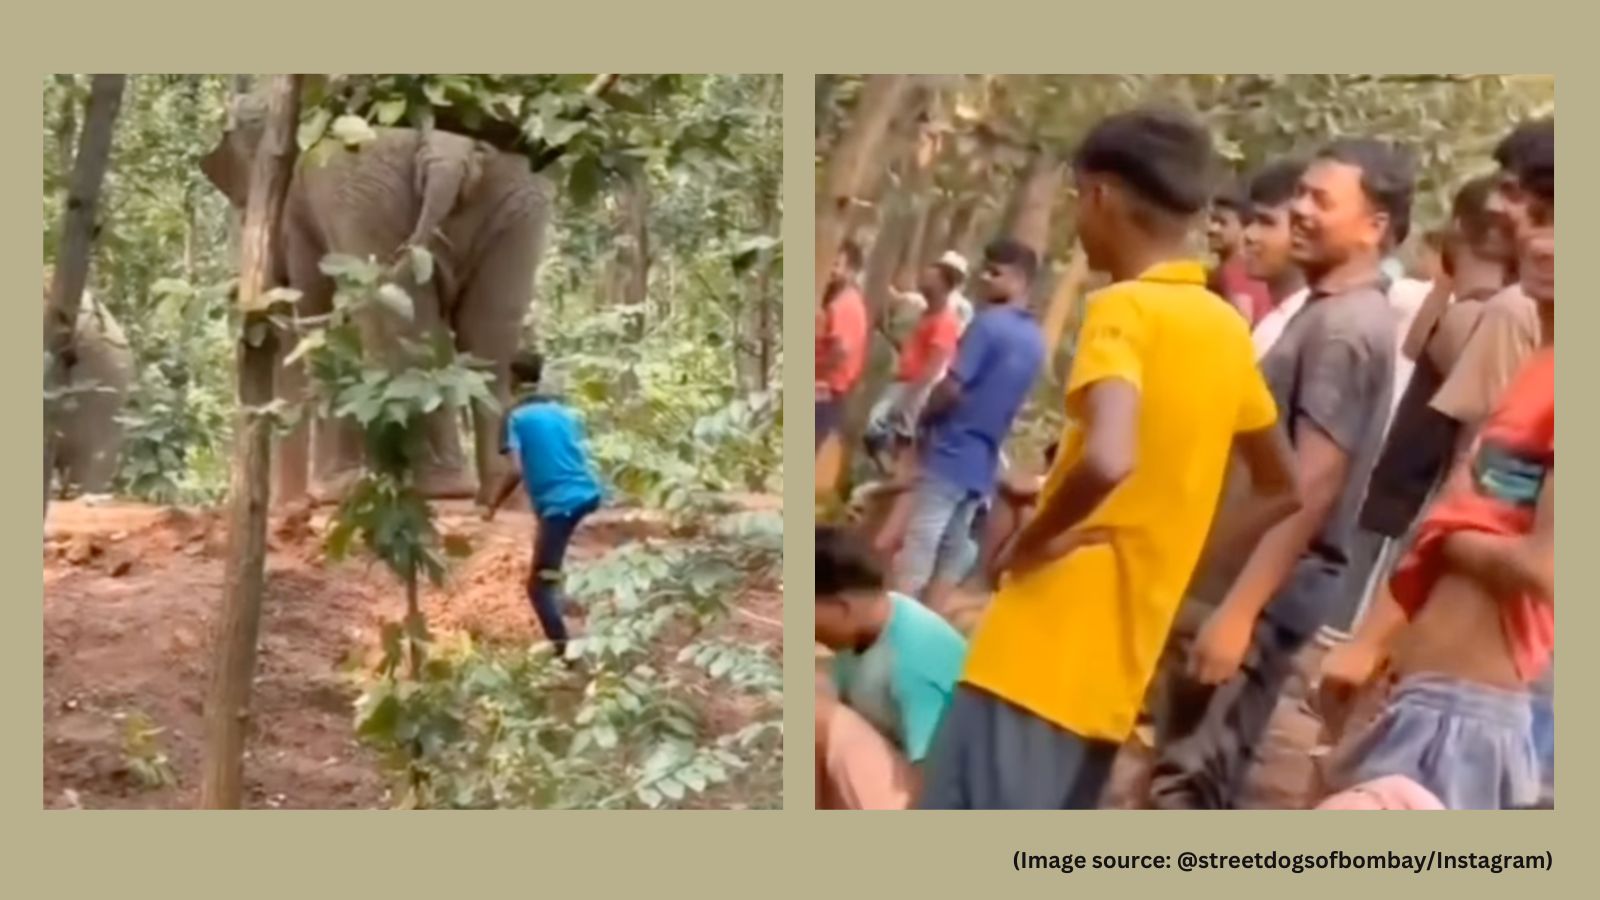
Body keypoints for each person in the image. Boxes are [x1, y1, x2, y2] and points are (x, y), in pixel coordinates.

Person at [918, 108, 1300, 810]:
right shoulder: (1223, 328)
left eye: (1076, 198)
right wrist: (1175, 549)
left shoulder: (1125, 309)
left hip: (1039, 649)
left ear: (1099, 195)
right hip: (1120, 665)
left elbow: (1108, 458)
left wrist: (1030, 544)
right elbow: (1283, 487)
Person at [1148, 137, 1412, 810]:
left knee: (1188, 784)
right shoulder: (1324, 312)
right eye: (1299, 195)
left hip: (1262, 596)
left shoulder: (1346, 329)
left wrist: (1238, 613)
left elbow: (1314, 482)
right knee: (1175, 767)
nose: (1300, 210)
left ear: (1374, 226)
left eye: (1321, 200)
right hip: (1239, 583)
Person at [1316, 118, 1553, 810]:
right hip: (1424, 697)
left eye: (1549, 215)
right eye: (1528, 210)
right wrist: (1372, 645)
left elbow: (1549, 568)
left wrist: (1452, 536)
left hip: (1467, 716)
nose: (1532, 235)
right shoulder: (1537, 366)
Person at [891, 239, 1046, 609]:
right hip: (983, 460)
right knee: (954, 546)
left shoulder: (988, 325)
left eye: (996, 272)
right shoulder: (1035, 341)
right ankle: (930, 618)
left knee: (921, 540)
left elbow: (953, 386)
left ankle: (895, 620)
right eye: (985, 270)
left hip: (951, 447)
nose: (985, 278)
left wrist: (923, 418)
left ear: (1021, 279)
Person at [815, 525, 967, 810]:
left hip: (939, 796)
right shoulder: (873, 619)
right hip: (898, 759)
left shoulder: (914, 660)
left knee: (815, 714)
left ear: (841, 607)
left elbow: (934, 777)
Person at [483, 350, 605, 659]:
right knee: (555, 565)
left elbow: (515, 470)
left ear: (513, 379)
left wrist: (492, 505)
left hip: (560, 505)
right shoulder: (564, 412)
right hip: (589, 493)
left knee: (537, 588)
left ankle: (566, 656)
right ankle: (577, 620)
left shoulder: (515, 417)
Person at [863, 262, 963, 470]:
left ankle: (896, 474)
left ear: (944, 286)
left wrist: (910, 395)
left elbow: (935, 364)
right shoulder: (927, 313)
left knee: (889, 431)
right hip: (904, 381)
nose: (923, 281)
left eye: (931, 279)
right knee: (880, 431)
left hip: (916, 387)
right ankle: (891, 472)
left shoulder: (945, 321)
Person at [1240, 157, 1311, 358]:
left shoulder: (1306, 329)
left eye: (1266, 222)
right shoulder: (1277, 321)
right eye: (1250, 221)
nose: (1249, 235)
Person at [817, 240, 869, 452]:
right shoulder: (842, 301)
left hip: (826, 390)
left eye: (837, 265)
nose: (832, 270)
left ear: (852, 271)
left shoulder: (845, 305)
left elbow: (841, 351)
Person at [1206, 182, 1273, 325]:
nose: (1212, 228)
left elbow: (1243, 321)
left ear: (1245, 228)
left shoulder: (1234, 272)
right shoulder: (1256, 269)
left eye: (1222, 223)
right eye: (1212, 220)